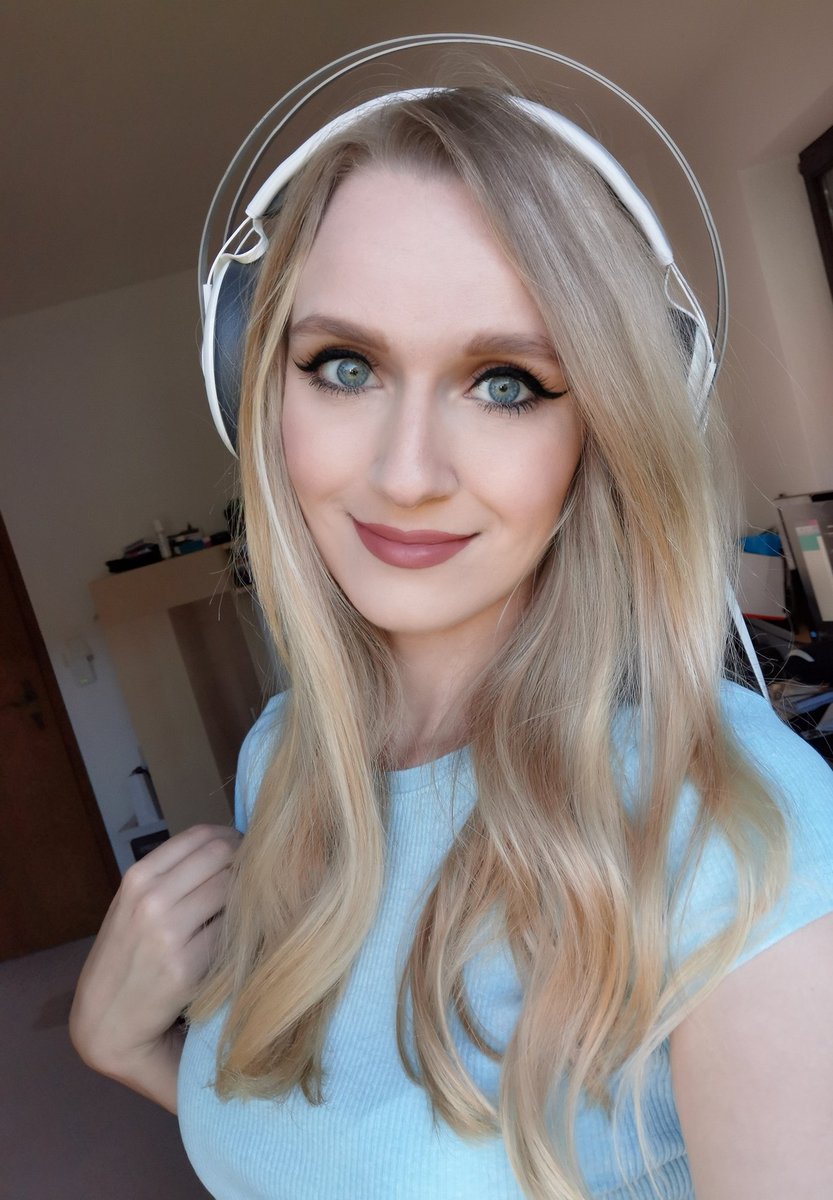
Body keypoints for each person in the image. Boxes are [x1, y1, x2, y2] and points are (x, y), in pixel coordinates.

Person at [70, 85, 833, 1200]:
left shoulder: (729, 827)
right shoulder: (284, 757)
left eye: (504, 383)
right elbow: (322, 1164)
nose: (407, 472)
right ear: (260, 395)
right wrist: (128, 1050)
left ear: (604, 429)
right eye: (344, 366)